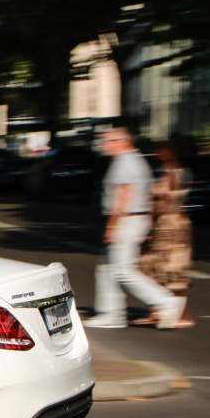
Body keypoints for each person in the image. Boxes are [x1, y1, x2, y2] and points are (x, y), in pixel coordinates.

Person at [85, 126, 186, 330]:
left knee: (123, 271)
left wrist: (112, 226)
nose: (104, 146)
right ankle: (111, 314)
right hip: (133, 219)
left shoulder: (125, 162)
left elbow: (123, 197)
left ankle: (165, 301)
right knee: (106, 268)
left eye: (108, 141)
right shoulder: (136, 161)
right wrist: (145, 222)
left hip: (125, 220)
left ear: (122, 141)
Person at [135, 137, 194, 328]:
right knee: (162, 269)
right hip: (173, 225)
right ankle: (161, 311)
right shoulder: (177, 172)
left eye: (161, 150)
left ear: (170, 152)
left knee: (171, 269)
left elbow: (163, 203)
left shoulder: (173, 174)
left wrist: (148, 222)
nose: (158, 154)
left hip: (170, 228)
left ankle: (180, 315)